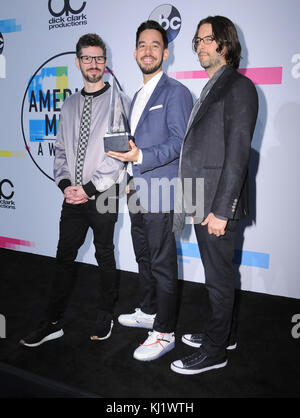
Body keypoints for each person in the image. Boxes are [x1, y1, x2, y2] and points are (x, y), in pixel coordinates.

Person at [20, 33, 128, 347]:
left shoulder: (118, 101)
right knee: (64, 257)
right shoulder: (68, 104)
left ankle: (105, 312)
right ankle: (53, 321)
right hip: (73, 197)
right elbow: (59, 153)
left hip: (104, 194)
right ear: (78, 61)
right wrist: (68, 186)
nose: (93, 63)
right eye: (87, 57)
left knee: (105, 255)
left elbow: (118, 155)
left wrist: (90, 189)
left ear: (105, 63)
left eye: (98, 58)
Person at [171, 16, 258, 374]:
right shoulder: (214, 87)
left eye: (209, 39)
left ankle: (215, 350)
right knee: (220, 275)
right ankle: (225, 334)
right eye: (198, 40)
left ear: (226, 43)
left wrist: (222, 210)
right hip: (204, 201)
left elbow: (237, 155)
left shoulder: (238, 86)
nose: (201, 46)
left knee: (218, 279)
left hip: (218, 207)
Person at [107, 20, 193, 361]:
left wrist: (140, 156)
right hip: (137, 190)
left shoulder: (176, 92)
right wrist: (129, 174)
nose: (148, 51)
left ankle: (165, 331)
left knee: (162, 262)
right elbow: (133, 144)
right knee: (143, 256)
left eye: (155, 45)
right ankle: (148, 309)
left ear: (166, 52)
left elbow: (179, 143)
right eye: (142, 45)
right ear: (134, 52)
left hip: (162, 190)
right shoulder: (137, 95)